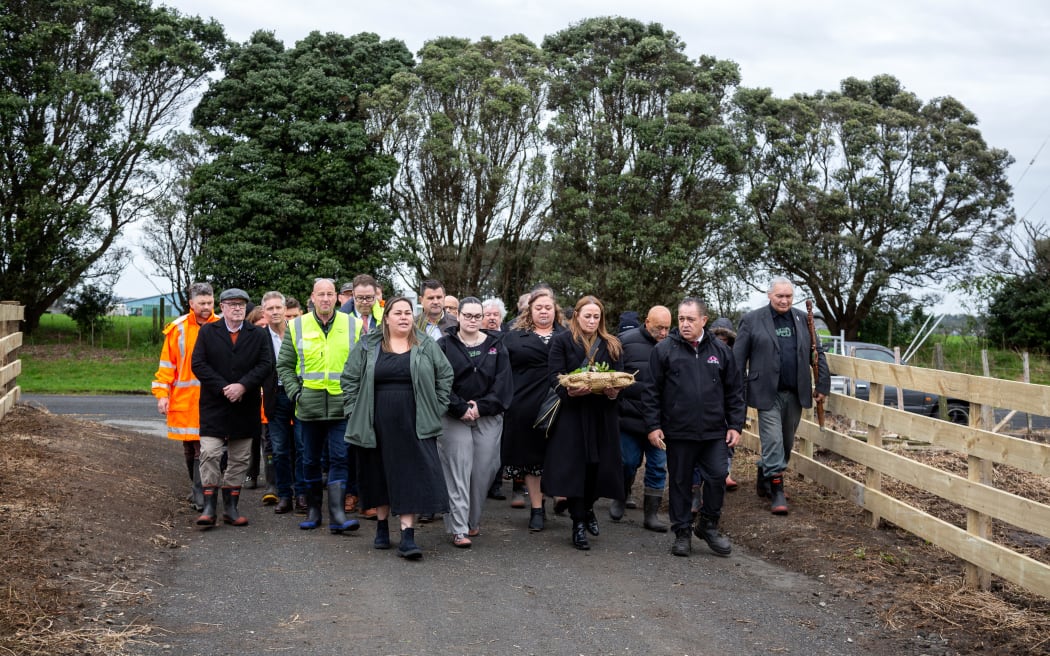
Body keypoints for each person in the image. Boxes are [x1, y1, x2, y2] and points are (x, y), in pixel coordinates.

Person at [341, 296, 453, 560]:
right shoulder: (368, 344)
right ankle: (381, 528)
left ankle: (407, 536)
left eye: (408, 313)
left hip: (416, 422)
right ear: (387, 318)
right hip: (375, 420)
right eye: (398, 313)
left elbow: (445, 375)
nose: (404, 317)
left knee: (411, 475)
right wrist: (352, 409)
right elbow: (349, 377)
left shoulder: (425, 344)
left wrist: (437, 407)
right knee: (378, 472)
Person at [644, 298, 745, 556]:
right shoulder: (664, 350)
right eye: (681, 319)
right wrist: (653, 426)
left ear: (703, 320)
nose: (685, 324)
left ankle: (708, 525)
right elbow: (651, 391)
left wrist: (735, 425)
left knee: (716, 477)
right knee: (680, 482)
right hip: (678, 431)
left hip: (713, 432)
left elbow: (734, 391)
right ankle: (682, 532)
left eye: (690, 319)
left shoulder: (721, 352)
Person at [733, 277, 830, 515]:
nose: (784, 300)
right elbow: (737, 359)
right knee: (774, 440)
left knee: (786, 442)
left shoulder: (803, 319)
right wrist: (736, 390)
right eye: (779, 296)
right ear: (769, 295)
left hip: (795, 392)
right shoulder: (752, 320)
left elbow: (817, 352)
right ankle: (777, 491)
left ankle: (764, 473)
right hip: (766, 392)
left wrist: (822, 384)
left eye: (788, 296)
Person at [276, 278, 361, 534]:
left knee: (340, 457)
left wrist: (353, 396)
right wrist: (296, 394)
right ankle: (314, 510)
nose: (325, 299)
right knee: (310, 460)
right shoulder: (296, 326)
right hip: (308, 407)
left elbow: (362, 364)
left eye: (330, 294)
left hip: (341, 406)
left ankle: (337, 514)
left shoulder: (353, 325)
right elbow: (284, 366)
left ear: (337, 297)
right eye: (320, 294)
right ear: (312, 297)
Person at [542, 295, 626, 550]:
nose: (591, 320)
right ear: (576, 315)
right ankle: (578, 523)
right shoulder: (562, 341)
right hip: (573, 416)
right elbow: (554, 376)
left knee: (602, 468)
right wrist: (569, 391)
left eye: (596, 316)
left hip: (602, 415)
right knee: (577, 469)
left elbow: (620, 377)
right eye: (587, 315)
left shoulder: (612, 344)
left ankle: (588, 507)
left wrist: (614, 391)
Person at [191, 288, 274, 528]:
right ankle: (209, 507)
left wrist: (243, 386)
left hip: (245, 405)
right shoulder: (208, 332)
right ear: (223, 307)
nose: (237, 308)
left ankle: (231, 507)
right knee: (209, 453)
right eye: (231, 304)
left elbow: (266, 364)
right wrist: (224, 387)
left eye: (241, 304)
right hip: (214, 405)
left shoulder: (257, 335)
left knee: (239, 458)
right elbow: (198, 364)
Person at [437, 297, 514, 547]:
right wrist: (459, 407)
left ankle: (472, 520)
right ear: (457, 316)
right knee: (458, 469)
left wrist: (481, 407)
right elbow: (438, 383)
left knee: (483, 470)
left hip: (487, 415)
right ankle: (458, 528)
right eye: (467, 315)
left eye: (476, 316)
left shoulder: (496, 346)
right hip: (453, 416)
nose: (472, 320)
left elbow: (504, 385)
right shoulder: (444, 345)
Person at [500, 287, 566, 531]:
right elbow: (502, 368)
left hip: (560, 403)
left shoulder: (567, 334)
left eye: (548, 308)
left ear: (555, 310)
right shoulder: (515, 335)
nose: (544, 312)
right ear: (530, 310)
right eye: (538, 308)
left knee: (559, 455)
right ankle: (537, 509)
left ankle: (561, 495)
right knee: (532, 460)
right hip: (525, 402)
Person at [151, 282, 220, 511]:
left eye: (210, 302)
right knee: (190, 448)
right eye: (202, 303)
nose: (206, 307)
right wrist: (162, 395)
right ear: (191, 304)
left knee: (208, 447)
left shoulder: (223, 325)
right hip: (185, 400)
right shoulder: (177, 329)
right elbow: (166, 366)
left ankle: (203, 493)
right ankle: (197, 488)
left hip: (215, 399)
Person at [612, 305, 672, 532]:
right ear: (647, 322)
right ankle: (621, 494)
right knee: (627, 461)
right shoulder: (625, 342)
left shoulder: (673, 345)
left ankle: (651, 514)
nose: (664, 333)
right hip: (629, 416)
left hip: (660, 421)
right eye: (659, 328)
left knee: (657, 465)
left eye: (667, 328)